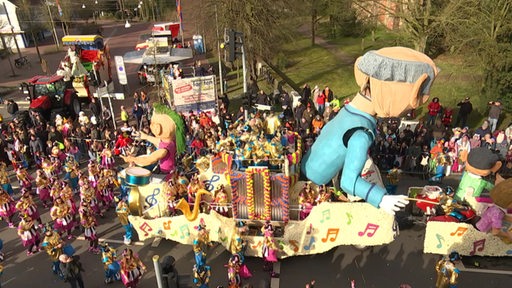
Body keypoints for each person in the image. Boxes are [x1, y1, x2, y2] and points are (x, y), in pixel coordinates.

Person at [302, 47, 438, 215]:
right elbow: (348, 181)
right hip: (312, 192)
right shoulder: (360, 132)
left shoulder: (348, 113)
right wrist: (381, 199)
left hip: (309, 172)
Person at [121, 104, 186, 176]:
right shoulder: (171, 141)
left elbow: (149, 159)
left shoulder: (164, 150)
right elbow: (158, 141)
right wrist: (145, 136)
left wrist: (133, 159)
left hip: (167, 174)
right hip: (169, 170)